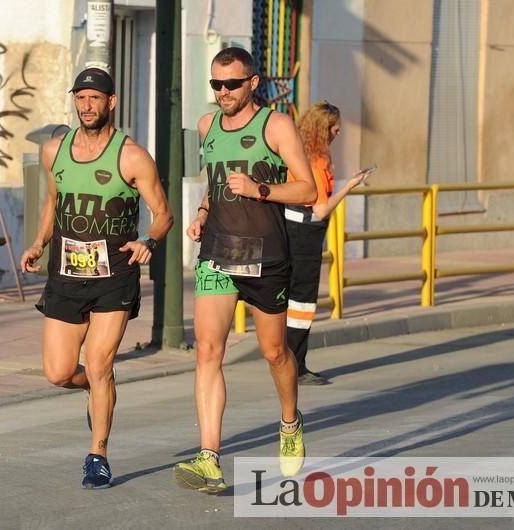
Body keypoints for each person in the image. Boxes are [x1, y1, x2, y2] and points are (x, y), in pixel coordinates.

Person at [20, 67, 172, 489]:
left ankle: (97, 454)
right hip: (66, 275)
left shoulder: (132, 156)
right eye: (81, 98)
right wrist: (38, 242)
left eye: (95, 99)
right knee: (59, 372)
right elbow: (54, 201)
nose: (87, 106)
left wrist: (149, 242)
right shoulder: (55, 150)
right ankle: (98, 391)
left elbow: (163, 214)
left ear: (112, 103)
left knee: (101, 364)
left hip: (115, 276)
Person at [174, 47, 317, 494]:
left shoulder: (275, 125)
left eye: (231, 84)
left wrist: (260, 188)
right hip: (218, 252)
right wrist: (201, 212)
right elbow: (213, 183)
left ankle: (290, 422)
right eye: (216, 85)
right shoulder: (206, 126)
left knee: (274, 353)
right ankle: (209, 457)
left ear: (252, 83)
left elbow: (308, 188)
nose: (222, 93)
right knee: (207, 351)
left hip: (267, 257)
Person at [285, 102, 371, 385]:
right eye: (334, 128)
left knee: (287, 299)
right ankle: (295, 366)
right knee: (302, 302)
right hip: (306, 233)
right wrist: (350, 186)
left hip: (288, 227)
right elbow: (321, 209)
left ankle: (285, 360)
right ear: (322, 129)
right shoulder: (317, 161)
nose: (338, 132)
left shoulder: (296, 151)